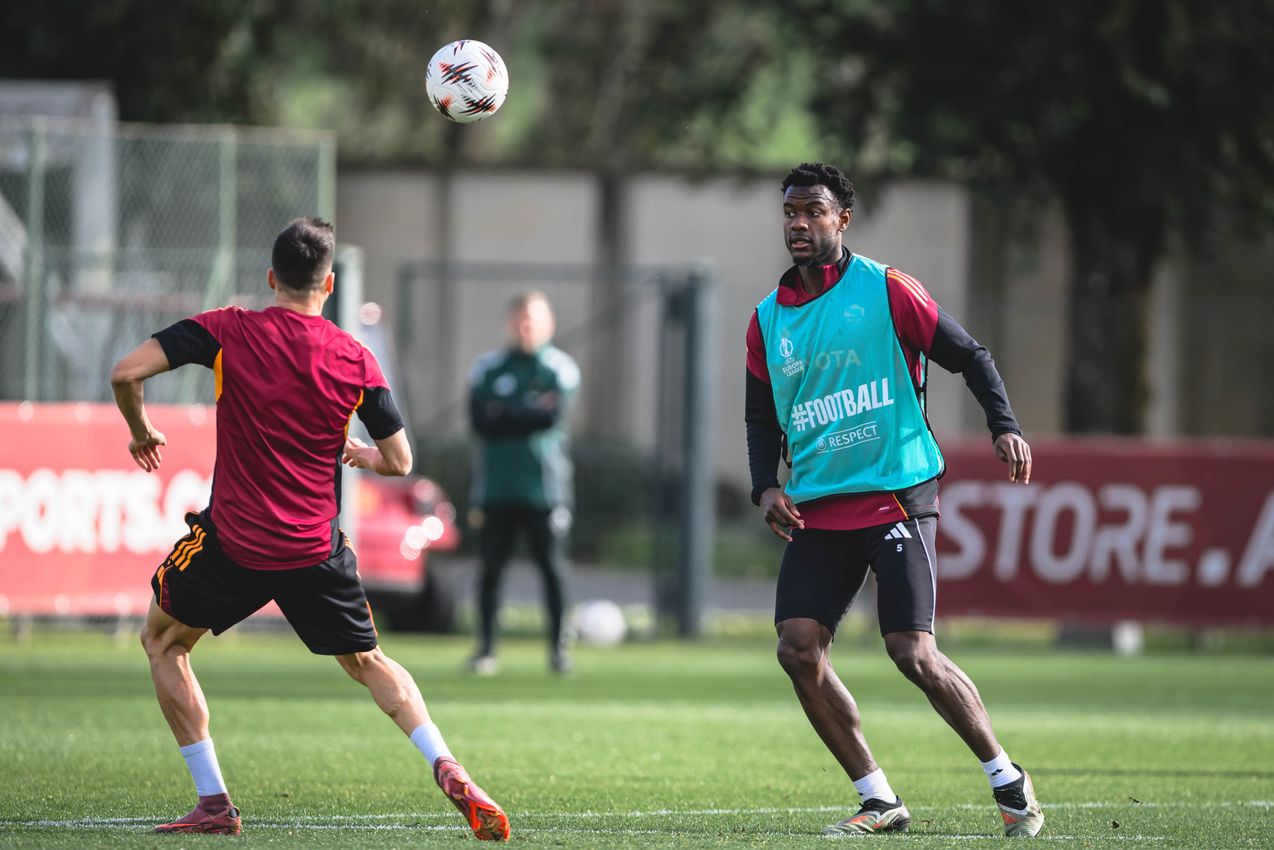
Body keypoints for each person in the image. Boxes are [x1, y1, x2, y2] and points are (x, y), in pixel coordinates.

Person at [109, 218, 510, 841]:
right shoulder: (355, 357)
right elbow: (401, 461)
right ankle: (445, 762)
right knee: (369, 661)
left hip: (235, 544)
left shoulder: (227, 330)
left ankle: (214, 802)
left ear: (272, 278)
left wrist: (141, 430)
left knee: (164, 643)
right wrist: (361, 454)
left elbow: (125, 373)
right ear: (328, 285)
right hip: (314, 549)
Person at [745, 163, 1044, 838]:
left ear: (842, 219)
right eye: (790, 212)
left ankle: (1007, 778)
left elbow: (971, 355)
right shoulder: (767, 320)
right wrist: (766, 485)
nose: (798, 223)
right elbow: (760, 417)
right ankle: (878, 798)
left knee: (912, 651)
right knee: (798, 649)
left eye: (813, 211)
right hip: (819, 505)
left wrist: (1004, 425)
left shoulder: (886, 289)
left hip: (896, 493)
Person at [466, 291, 579, 676]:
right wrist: (525, 410)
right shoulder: (487, 368)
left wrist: (504, 412)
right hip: (495, 489)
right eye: (519, 319)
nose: (524, 327)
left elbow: (549, 417)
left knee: (552, 569)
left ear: (549, 324)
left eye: (532, 320)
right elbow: (480, 421)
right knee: (490, 570)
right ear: (508, 323)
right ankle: (485, 649)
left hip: (544, 490)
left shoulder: (558, 368)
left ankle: (559, 650)